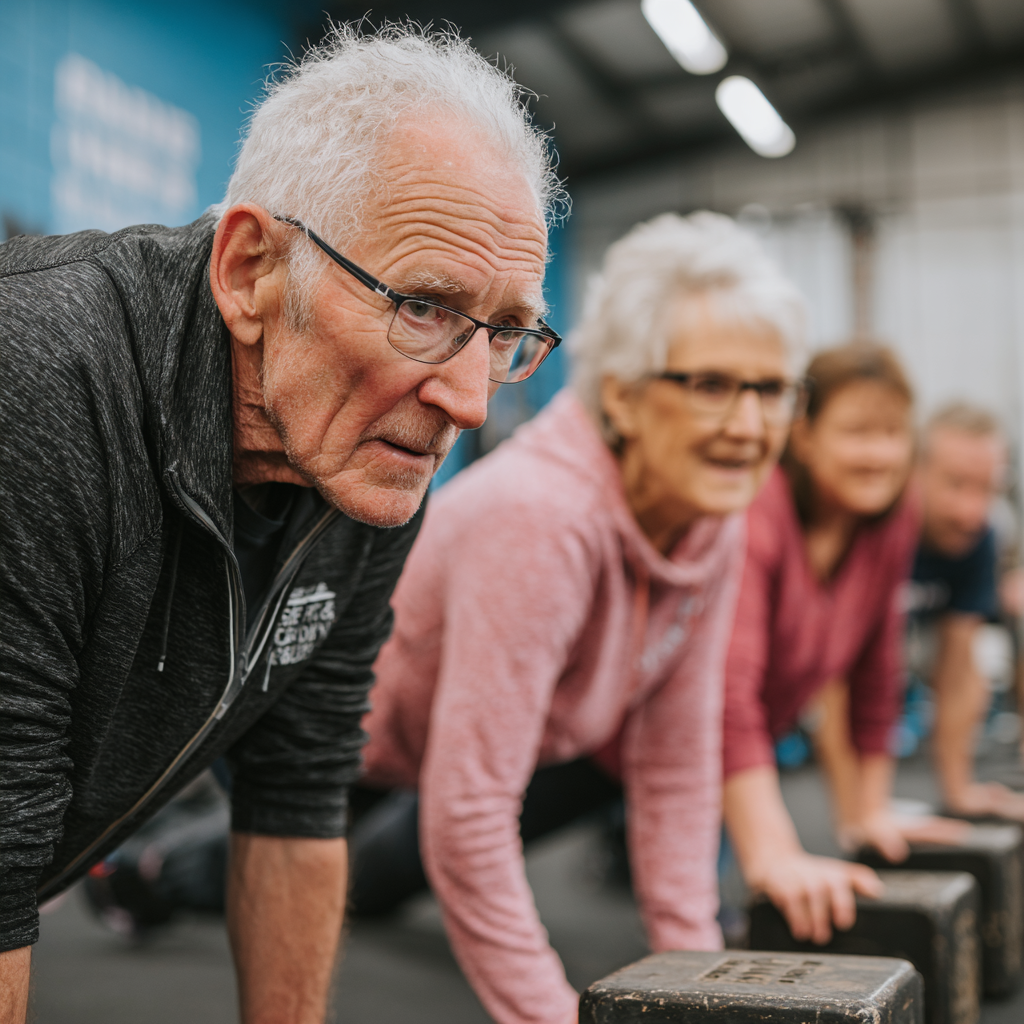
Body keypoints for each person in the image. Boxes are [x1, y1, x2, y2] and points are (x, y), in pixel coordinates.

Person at [0, 25, 561, 1024]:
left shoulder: (363, 455)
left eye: (507, 331)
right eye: (422, 306)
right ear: (251, 270)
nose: (472, 400)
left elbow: (298, 793)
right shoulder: (37, 385)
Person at [353, 212, 807, 1024]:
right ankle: (145, 876)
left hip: (460, 756)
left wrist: (698, 989)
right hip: (332, 745)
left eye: (770, 389)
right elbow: (469, 817)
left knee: (366, 886)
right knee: (259, 881)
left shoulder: (713, 516)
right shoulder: (541, 516)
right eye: (710, 386)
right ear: (624, 397)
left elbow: (674, 763)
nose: (749, 427)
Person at [722, 342, 966, 948]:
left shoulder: (891, 519)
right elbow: (726, 694)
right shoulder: (758, 511)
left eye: (892, 432)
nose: (879, 453)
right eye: (857, 431)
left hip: (736, 747)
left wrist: (868, 811)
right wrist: (776, 852)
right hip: (637, 739)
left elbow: (877, 670)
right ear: (803, 436)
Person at [906, 403, 1024, 819]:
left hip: (921, 629)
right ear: (915, 471)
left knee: (972, 671)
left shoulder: (984, 537)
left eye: (986, 489)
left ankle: (957, 789)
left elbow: (955, 671)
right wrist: (862, 814)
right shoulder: (880, 525)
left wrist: (958, 794)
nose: (970, 511)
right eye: (955, 485)